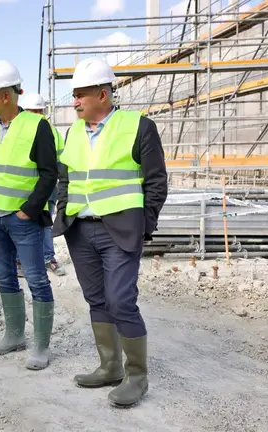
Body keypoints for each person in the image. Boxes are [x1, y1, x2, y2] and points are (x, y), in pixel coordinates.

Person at [53, 57, 168, 407]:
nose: (75, 102)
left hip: (119, 230)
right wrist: (63, 211)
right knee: (97, 300)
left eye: (80, 95)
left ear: (102, 95)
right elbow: (65, 178)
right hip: (80, 229)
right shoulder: (73, 132)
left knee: (121, 301)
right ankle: (110, 366)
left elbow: (156, 182)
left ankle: (137, 376)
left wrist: (143, 223)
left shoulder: (138, 127)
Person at [0, 60, 58, 371]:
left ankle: (40, 346)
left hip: (23, 219)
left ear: (6, 96)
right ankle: (14, 335)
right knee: (4, 276)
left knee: (36, 279)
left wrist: (28, 211)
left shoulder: (38, 126)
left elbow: (49, 175)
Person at [16, 92, 66, 277]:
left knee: (45, 224)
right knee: (21, 225)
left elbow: (61, 160)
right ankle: (20, 260)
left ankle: (48, 258)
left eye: (39, 111)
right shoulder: (19, 131)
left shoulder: (52, 132)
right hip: (25, 188)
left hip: (47, 188)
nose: (37, 114)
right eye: (32, 111)